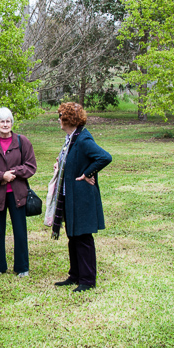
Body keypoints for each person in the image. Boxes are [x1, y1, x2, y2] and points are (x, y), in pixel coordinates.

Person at [49, 102, 112, 292]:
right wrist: (61, 165)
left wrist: (88, 173)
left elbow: (104, 157)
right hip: (70, 195)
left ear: (68, 118)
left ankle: (87, 280)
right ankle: (75, 275)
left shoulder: (83, 139)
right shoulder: (71, 138)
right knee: (73, 236)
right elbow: (72, 159)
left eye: (60, 116)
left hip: (82, 196)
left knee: (83, 237)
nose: (58, 120)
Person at [0, 107, 37, 277]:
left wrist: (14, 173)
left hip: (18, 193)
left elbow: (31, 166)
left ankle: (22, 267)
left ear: (12, 123)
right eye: (1, 121)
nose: (5, 124)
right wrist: (1, 176)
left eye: (8, 121)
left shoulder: (22, 141)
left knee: (19, 230)